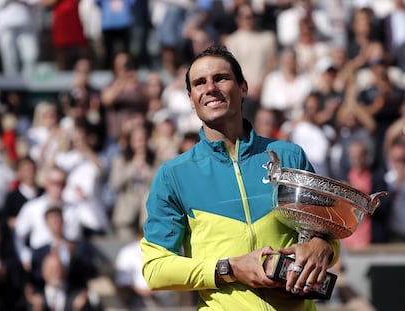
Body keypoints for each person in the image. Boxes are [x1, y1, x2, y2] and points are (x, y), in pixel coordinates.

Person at [141, 45, 340, 310]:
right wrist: (230, 268)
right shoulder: (173, 175)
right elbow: (155, 269)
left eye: (220, 78)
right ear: (190, 99)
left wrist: (323, 247)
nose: (210, 88)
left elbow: (328, 236)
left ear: (243, 87)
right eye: (199, 83)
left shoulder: (289, 156)